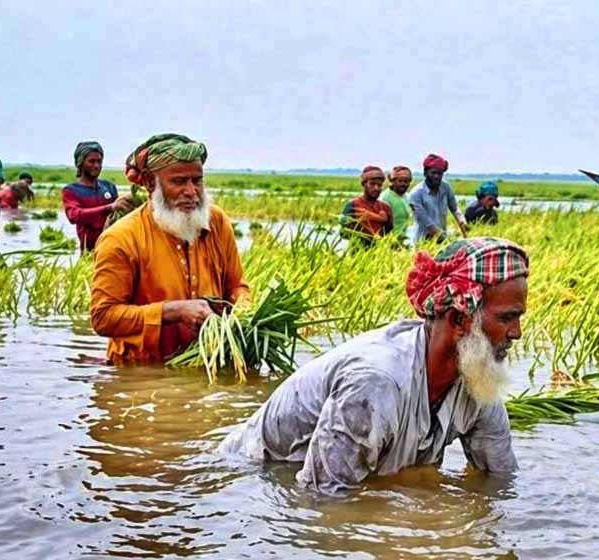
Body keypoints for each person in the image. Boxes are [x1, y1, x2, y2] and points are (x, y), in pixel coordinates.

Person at [220, 236, 528, 495]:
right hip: (254, 477)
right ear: (459, 319)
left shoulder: (477, 380)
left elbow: (501, 479)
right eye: (506, 318)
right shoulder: (376, 382)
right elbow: (322, 499)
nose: (516, 332)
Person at [90, 133, 250, 365]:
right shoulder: (121, 238)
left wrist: (242, 315)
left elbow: (236, 286)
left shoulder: (217, 222)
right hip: (141, 372)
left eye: (197, 180)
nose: (191, 192)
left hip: (207, 362)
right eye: (178, 181)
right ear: (149, 182)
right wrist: (172, 311)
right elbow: (103, 317)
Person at [63, 141, 119, 251]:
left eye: (99, 161)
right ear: (80, 163)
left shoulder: (109, 187)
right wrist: (109, 208)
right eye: (91, 161)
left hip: (112, 248)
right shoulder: (71, 190)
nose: (96, 166)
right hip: (88, 252)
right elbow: (73, 216)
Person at [409, 154, 468, 243]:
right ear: (425, 173)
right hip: (423, 240)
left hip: (442, 238)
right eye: (433, 173)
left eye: (439, 173)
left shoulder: (445, 187)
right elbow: (426, 222)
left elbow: (455, 209)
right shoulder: (416, 193)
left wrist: (463, 223)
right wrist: (445, 239)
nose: (436, 176)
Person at [339, 165, 393, 246]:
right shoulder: (353, 205)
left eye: (379, 185)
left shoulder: (385, 208)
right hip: (357, 252)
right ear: (364, 184)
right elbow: (343, 233)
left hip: (380, 251)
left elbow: (389, 232)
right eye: (372, 184)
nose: (376, 188)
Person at [379, 166, 413, 240]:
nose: (403, 184)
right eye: (400, 181)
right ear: (393, 181)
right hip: (388, 239)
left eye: (406, 181)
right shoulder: (385, 197)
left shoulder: (407, 196)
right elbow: (381, 224)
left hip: (402, 238)